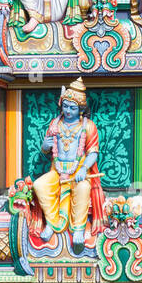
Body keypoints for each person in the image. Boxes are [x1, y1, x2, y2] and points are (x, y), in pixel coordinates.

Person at [32, 79, 104, 254]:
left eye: (73, 108)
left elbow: (93, 152)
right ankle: (52, 222)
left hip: (78, 171)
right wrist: (45, 145)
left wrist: (82, 169)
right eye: (66, 106)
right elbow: (45, 151)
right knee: (39, 185)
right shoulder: (55, 124)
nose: (68, 111)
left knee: (83, 188)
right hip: (57, 171)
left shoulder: (88, 126)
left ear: (81, 109)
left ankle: (78, 229)